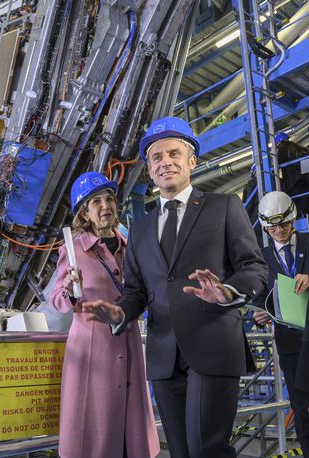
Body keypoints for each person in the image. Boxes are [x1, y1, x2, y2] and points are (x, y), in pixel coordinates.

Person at [83, 116, 267, 458]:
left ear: (191, 161)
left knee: (205, 450)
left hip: (212, 347)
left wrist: (226, 292)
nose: (165, 162)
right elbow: (137, 290)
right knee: (181, 452)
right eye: (156, 157)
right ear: (150, 170)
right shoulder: (139, 230)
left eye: (174, 154)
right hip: (165, 355)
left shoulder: (224, 207)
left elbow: (254, 268)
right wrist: (119, 311)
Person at [50, 171, 159, 458]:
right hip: (92, 351)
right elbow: (57, 300)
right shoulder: (72, 250)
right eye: (95, 201)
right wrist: (71, 291)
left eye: (108, 198)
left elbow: (143, 293)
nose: (105, 206)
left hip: (129, 343)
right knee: (96, 433)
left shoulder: (129, 246)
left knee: (129, 433)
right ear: (84, 213)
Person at [251, 191, 309, 453]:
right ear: (264, 226)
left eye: (284, 224)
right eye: (272, 227)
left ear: (293, 219)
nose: (279, 231)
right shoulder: (261, 258)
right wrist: (260, 315)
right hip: (290, 345)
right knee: (300, 404)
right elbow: (263, 297)